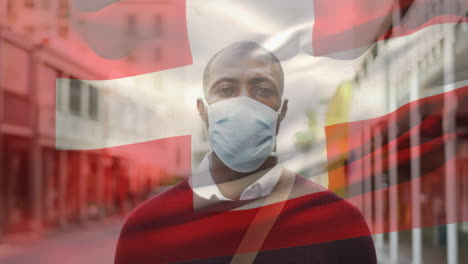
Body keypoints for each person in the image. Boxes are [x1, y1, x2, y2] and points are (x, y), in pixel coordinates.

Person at [114, 41, 377, 264]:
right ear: (203, 110)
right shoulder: (146, 227)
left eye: (262, 90)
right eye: (225, 90)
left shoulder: (339, 223)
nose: (243, 103)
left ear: (282, 111)